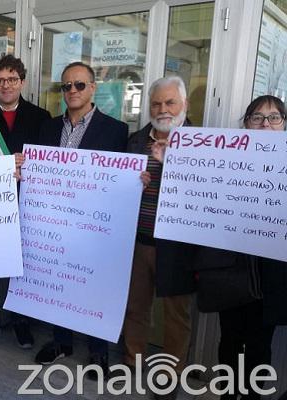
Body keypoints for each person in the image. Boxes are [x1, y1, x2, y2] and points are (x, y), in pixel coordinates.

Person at [33, 61, 128, 376]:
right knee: (59, 284)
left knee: (94, 287)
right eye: (66, 86)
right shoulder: (47, 127)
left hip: (94, 226)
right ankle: (62, 342)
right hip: (56, 223)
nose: (72, 91)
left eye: (79, 85)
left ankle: (98, 351)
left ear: (93, 88)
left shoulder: (116, 130)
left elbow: (120, 182)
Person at [205, 95, 287, 400]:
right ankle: (227, 394)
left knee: (259, 344)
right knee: (229, 339)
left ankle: (251, 396)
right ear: (246, 124)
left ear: (283, 124)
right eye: (257, 117)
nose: (266, 123)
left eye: (274, 117)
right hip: (231, 270)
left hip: (273, 276)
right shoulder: (225, 163)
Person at [119, 76, 196, 400]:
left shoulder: (201, 144)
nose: (162, 109)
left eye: (169, 103)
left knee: (177, 315)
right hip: (139, 241)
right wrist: (130, 182)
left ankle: (169, 375)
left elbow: (205, 194)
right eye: (156, 103)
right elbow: (118, 190)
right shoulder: (135, 141)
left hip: (178, 247)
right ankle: (132, 361)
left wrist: (170, 167)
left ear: (184, 106)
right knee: (136, 307)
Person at [0, 54, 51, 349]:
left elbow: (49, 163)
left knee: (21, 265)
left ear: (22, 82)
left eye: (12, 79)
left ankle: (20, 320)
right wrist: (3, 164)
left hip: (29, 202)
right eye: (0, 80)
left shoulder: (41, 117)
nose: (6, 85)